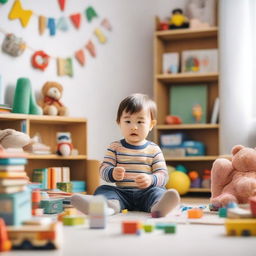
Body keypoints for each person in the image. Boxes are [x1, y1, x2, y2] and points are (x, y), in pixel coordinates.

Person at [71, 93, 180, 217]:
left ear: (151, 125)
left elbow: (163, 175)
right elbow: (103, 170)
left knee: (159, 191)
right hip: (121, 194)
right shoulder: (115, 147)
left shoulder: (154, 149)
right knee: (103, 190)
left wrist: (151, 179)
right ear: (119, 123)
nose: (133, 127)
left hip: (147, 193)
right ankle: (107, 207)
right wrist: (112, 173)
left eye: (140, 122)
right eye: (128, 121)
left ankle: (158, 207)